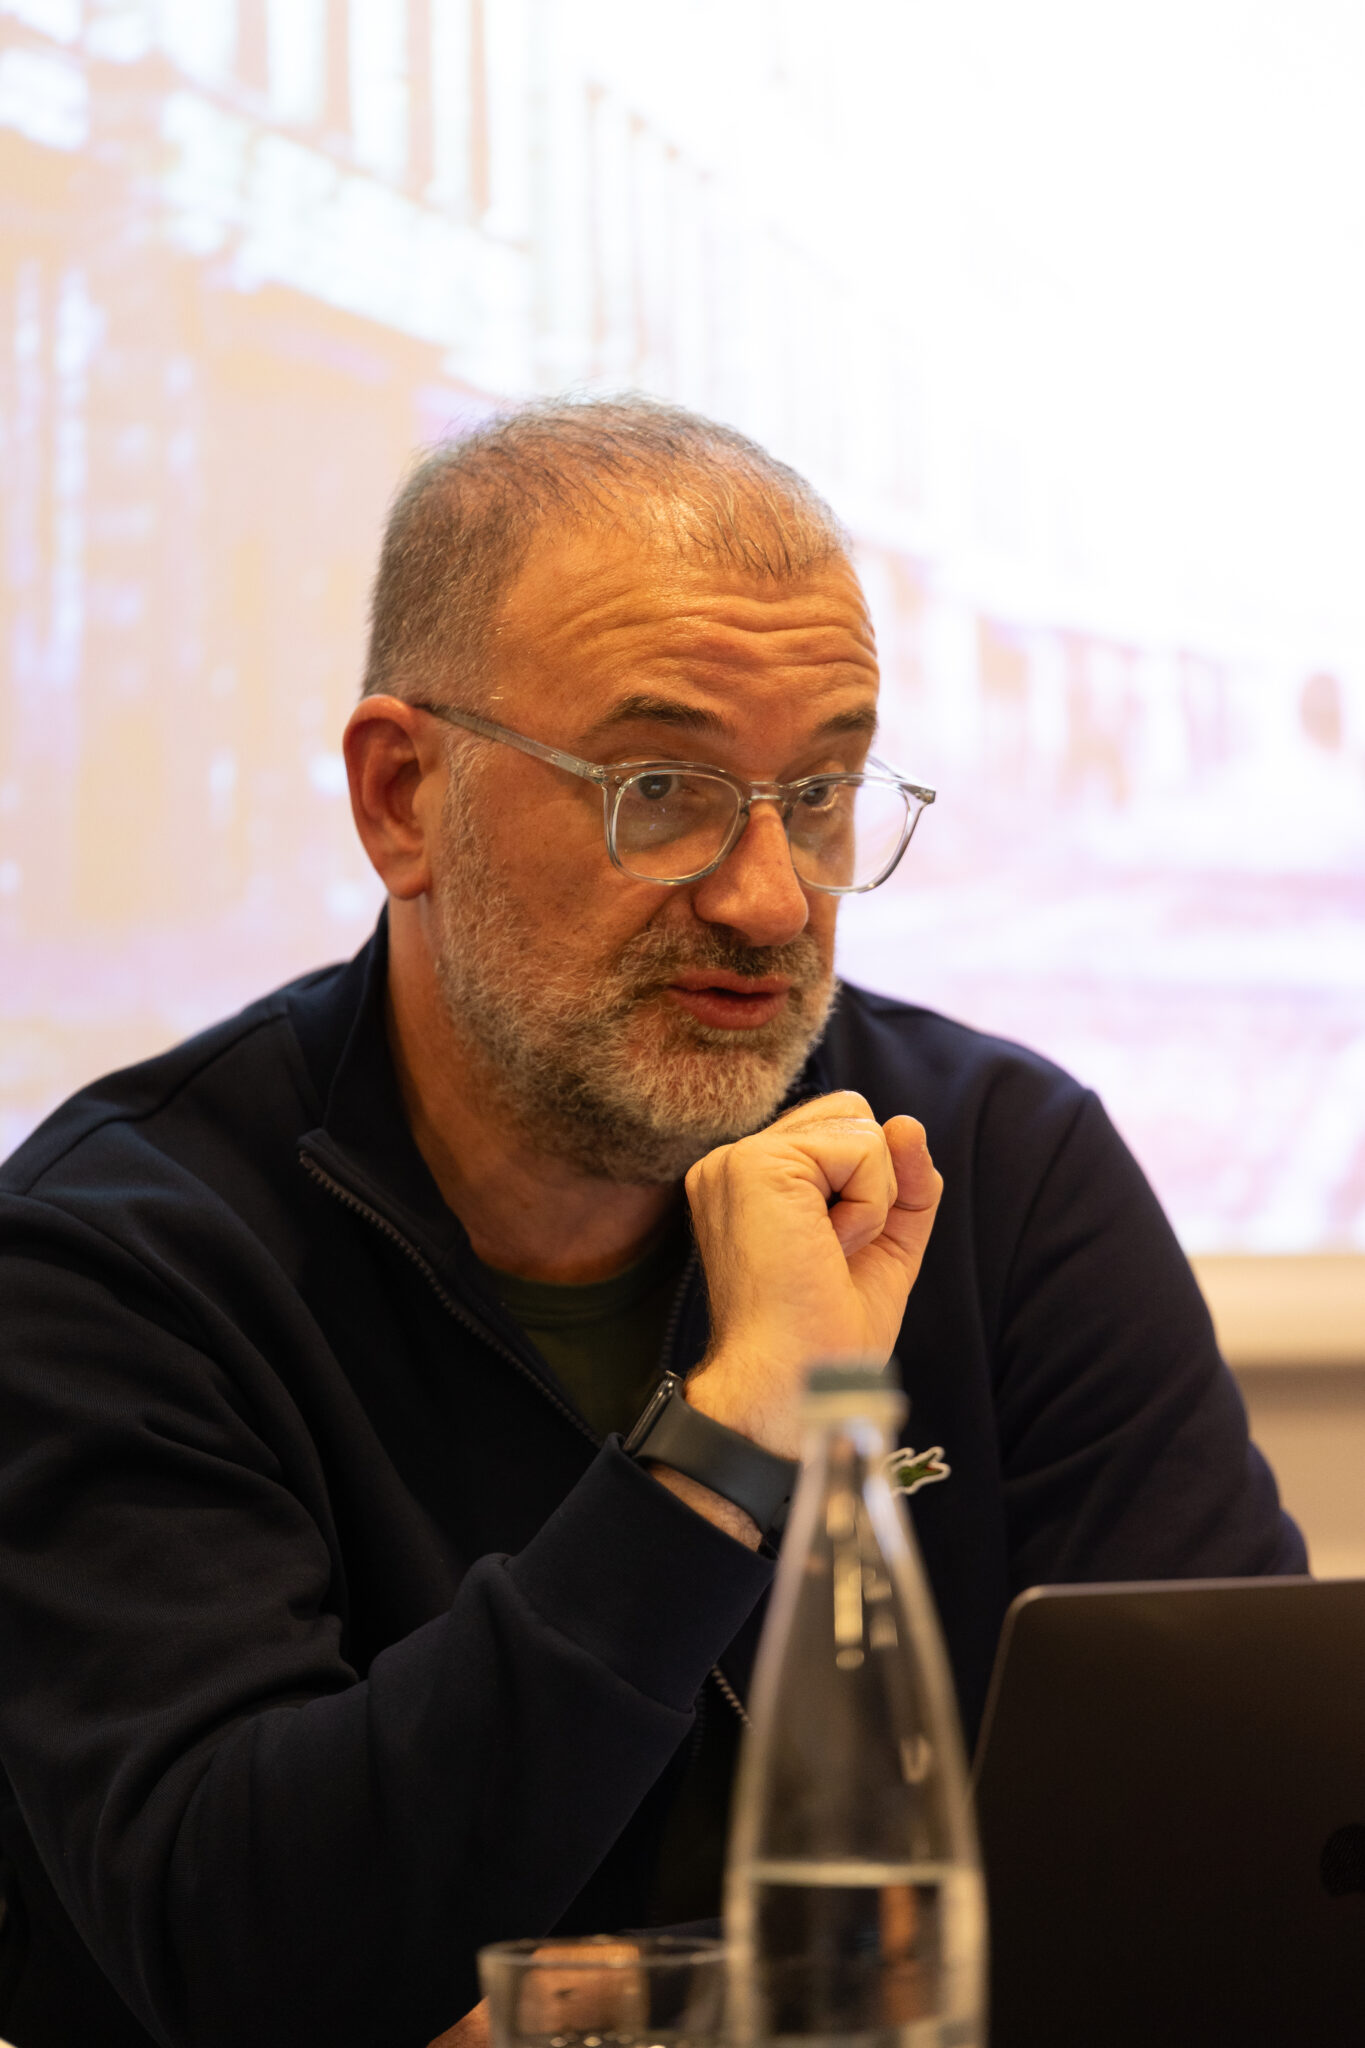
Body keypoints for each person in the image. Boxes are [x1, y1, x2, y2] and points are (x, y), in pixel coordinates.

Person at [0, 398, 1303, 2048]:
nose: (767, 898)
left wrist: (630, 2001)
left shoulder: (991, 1165)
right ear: (402, 797)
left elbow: (1240, 1846)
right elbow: (253, 1962)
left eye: (819, 793)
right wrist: (728, 1441)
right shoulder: (119, 1260)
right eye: (662, 788)